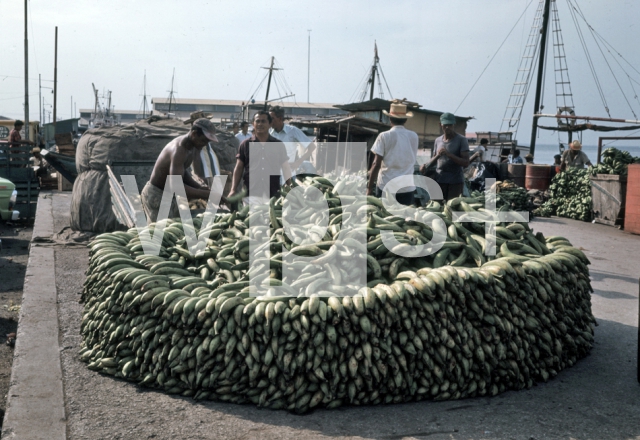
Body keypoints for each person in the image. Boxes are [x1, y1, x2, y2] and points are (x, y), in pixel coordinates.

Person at [142, 118, 224, 222]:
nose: (205, 144)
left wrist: (199, 187)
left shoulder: (192, 147)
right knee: (160, 234)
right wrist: (205, 194)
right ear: (194, 134)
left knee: (174, 231)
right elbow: (177, 187)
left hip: (169, 196)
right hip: (157, 195)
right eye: (203, 140)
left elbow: (182, 173)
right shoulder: (179, 150)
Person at [229, 111, 292, 206]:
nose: (260, 124)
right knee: (249, 220)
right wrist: (233, 189)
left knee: (271, 219)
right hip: (250, 194)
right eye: (257, 121)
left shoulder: (278, 145)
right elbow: (238, 168)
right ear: (253, 124)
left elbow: (285, 167)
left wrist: (289, 186)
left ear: (270, 124)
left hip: (272, 194)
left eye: (263, 121)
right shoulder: (245, 145)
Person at [367, 102, 419, 206]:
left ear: (390, 119)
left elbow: (376, 164)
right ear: (405, 120)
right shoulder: (414, 136)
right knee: (403, 219)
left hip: (386, 186)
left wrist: (369, 188)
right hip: (406, 187)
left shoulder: (384, 136)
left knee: (385, 219)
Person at [420, 112, 469, 201]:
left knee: (452, 208)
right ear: (440, 125)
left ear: (454, 125)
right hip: (439, 180)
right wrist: (425, 165)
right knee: (438, 207)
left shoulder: (461, 140)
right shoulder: (438, 140)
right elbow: (434, 159)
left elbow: (466, 163)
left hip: (455, 182)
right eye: (445, 125)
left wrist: (449, 154)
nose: (447, 127)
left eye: (450, 125)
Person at [268, 105, 316, 175]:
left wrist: (298, 163)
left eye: (272, 118)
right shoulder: (268, 132)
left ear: (280, 118)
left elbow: (312, 146)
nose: (269, 121)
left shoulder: (293, 131)